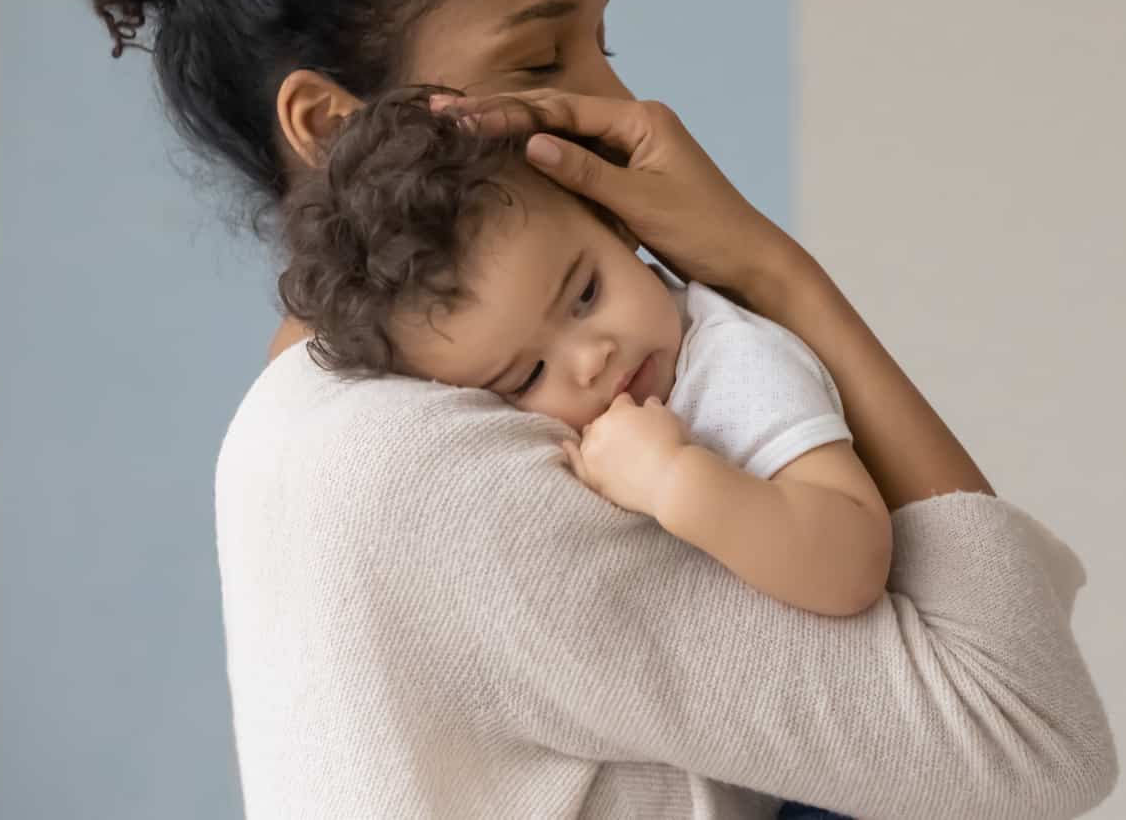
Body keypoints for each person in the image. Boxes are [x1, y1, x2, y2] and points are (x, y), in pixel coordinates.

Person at [12, 0, 1118, 818]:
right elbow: (1027, 735)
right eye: (542, 62)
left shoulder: (341, 421)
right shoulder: (423, 472)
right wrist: (773, 272)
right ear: (334, 127)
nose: (633, 110)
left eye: (605, 43)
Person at [276, 90, 893, 620]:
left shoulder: (733, 365)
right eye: (529, 375)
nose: (591, 360)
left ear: (617, 225)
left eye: (586, 293)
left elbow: (854, 558)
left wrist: (674, 481)